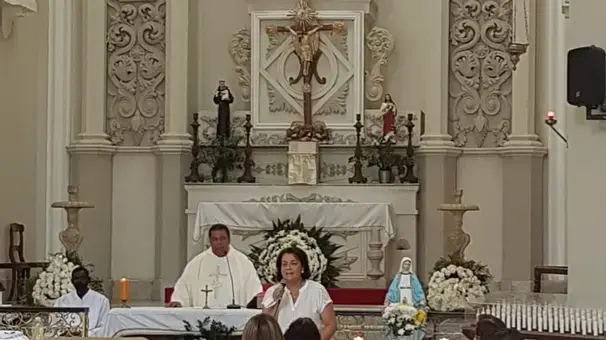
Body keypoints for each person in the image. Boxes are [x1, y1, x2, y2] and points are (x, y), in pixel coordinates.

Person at [168, 224, 262, 308]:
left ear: (229, 240)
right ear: (210, 241)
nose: (219, 242)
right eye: (215, 239)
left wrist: (256, 300)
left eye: (222, 238)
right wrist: (179, 301)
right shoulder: (197, 263)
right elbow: (183, 285)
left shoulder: (242, 262)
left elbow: (253, 287)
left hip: (233, 316)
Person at [261, 247, 336, 340]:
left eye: (293, 263)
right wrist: (274, 300)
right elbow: (264, 325)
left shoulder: (317, 290)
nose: (288, 268)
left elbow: (331, 324)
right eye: (284, 264)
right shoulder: (272, 292)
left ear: (303, 267)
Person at [54, 267, 110, 336]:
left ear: (88, 279)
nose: (80, 281)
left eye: (83, 278)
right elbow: (55, 324)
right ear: (72, 281)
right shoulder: (62, 301)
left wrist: (85, 334)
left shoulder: (102, 300)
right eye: (76, 278)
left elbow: (104, 327)